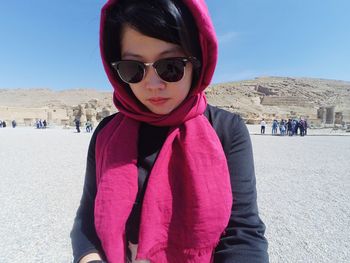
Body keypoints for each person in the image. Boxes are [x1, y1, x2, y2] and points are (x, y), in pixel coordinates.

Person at [70, 0, 269, 262]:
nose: (153, 84)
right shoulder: (106, 133)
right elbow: (86, 219)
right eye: (134, 69)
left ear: (197, 61)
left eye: (170, 66)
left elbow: (243, 233)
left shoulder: (226, 130)